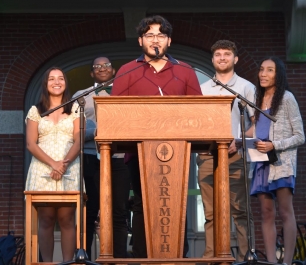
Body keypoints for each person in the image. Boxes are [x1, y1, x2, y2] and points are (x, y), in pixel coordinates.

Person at [111, 15, 202, 258]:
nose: (155, 40)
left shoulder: (185, 70)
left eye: (160, 35)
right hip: (138, 151)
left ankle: (176, 258)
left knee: (176, 204)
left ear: (169, 41)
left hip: (178, 152)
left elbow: (199, 113)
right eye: (150, 35)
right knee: (142, 205)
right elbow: (115, 114)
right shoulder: (127, 71)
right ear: (141, 40)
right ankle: (142, 258)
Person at [196, 40, 255, 261]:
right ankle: (212, 256)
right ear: (212, 60)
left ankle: (245, 257)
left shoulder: (246, 87)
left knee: (240, 211)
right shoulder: (202, 90)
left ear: (235, 59)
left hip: (236, 155)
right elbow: (196, 124)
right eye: (218, 54)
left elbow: (257, 123)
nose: (222, 58)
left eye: (227, 54)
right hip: (208, 157)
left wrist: (239, 140)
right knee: (211, 212)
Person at [247, 56, 305, 265]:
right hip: (261, 163)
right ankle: (271, 262)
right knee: (266, 212)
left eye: (269, 70)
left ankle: (287, 262)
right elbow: (257, 129)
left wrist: (274, 145)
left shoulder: (287, 98)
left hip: (281, 164)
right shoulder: (258, 99)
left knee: (285, 211)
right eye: (261, 69)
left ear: (278, 75)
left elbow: (300, 136)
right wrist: (238, 139)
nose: (263, 74)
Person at [72, 56, 131, 259]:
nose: (102, 68)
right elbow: (74, 132)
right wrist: (98, 132)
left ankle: (119, 259)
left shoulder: (124, 94)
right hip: (91, 158)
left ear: (113, 70)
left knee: (119, 211)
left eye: (106, 65)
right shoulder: (81, 96)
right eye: (97, 66)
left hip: (119, 158)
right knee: (91, 210)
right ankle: (84, 257)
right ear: (91, 73)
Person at [25, 67, 80, 262]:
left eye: (60, 78)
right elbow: (31, 143)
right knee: (46, 219)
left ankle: (67, 262)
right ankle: (46, 262)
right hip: (43, 169)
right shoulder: (36, 110)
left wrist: (63, 164)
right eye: (51, 79)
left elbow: (79, 139)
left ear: (65, 82)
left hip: (69, 168)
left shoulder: (75, 108)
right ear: (45, 84)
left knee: (66, 219)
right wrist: (53, 164)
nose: (56, 82)